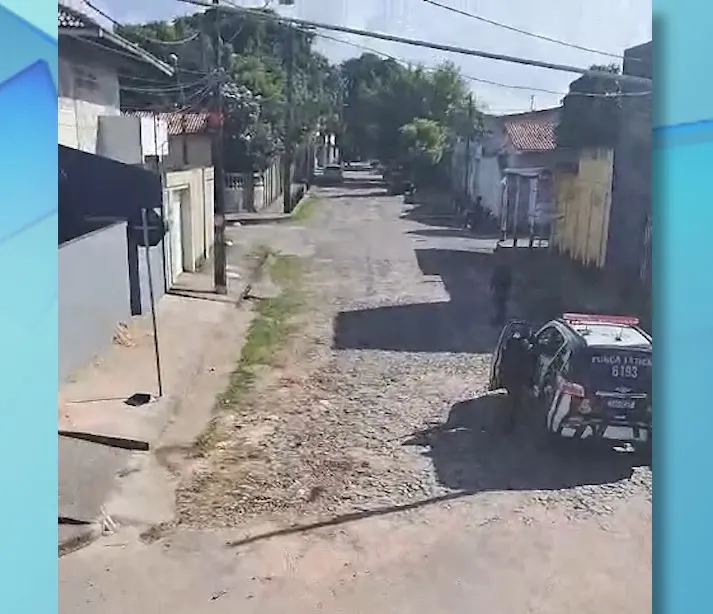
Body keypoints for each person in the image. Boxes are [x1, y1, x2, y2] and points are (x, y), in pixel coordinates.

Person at [499, 332, 533, 433]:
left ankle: (508, 423)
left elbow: (502, 364)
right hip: (517, 379)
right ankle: (509, 425)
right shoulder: (523, 352)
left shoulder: (508, 348)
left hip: (509, 378)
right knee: (515, 403)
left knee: (512, 401)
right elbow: (526, 367)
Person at [490, 259, 513, 325]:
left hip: (501, 292)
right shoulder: (505, 270)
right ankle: (499, 320)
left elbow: (493, 279)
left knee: (500, 307)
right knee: (500, 307)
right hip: (501, 292)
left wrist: (492, 288)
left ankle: (499, 320)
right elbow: (494, 279)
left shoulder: (501, 270)